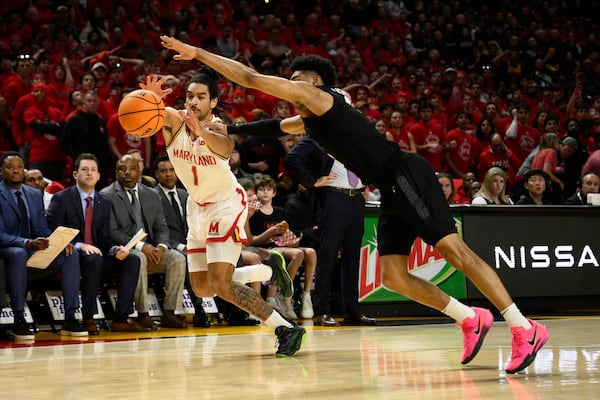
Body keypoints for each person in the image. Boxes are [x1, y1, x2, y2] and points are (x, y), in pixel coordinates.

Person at [160, 37, 549, 373]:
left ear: (314, 84)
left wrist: (197, 52)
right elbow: (272, 128)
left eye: (296, 83)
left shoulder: (320, 97)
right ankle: (469, 317)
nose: (291, 90)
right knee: (394, 277)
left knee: (453, 250)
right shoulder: (313, 120)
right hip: (387, 187)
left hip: (405, 174)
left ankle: (522, 327)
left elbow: (250, 78)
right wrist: (223, 129)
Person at [139, 70, 306, 357]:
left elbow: (224, 149)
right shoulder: (173, 122)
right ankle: (268, 267)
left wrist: (200, 129)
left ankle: (285, 328)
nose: (193, 101)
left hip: (226, 204)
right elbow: (147, 113)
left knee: (221, 284)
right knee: (203, 289)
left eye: (201, 97)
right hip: (197, 207)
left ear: (213, 102)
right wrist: (150, 98)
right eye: (190, 95)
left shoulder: (219, 129)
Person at [46, 153, 146, 333]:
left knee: (132, 260)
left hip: (96, 256)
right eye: (84, 170)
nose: (89, 173)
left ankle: (121, 318)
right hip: (72, 256)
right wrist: (79, 245)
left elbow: (104, 238)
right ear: (75, 174)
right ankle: (88, 317)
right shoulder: (62, 198)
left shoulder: (103, 202)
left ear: (99, 176)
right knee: (94, 259)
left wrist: (115, 249)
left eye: (93, 170)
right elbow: (53, 232)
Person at [284, 136, 376, 326]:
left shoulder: (356, 139)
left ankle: (352, 310)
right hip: (333, 198)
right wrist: (311, 181)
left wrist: (364, 181)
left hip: (356, 198)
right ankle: (322, 310)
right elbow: (292, 158)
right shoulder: (318, 138)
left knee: (352, 257)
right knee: (328, 255)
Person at [0, 151, 84, 340]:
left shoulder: (34, 194)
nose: (15, 170)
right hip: (8, 253)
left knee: (71, 253)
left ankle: (71, 317)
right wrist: (27, 243)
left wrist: (58, 242)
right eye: (10, 167)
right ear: (1, 171)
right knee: (18, 253)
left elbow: (41, 227)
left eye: (19, 167)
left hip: (33, 251)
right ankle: (18, 319)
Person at [100, 154, 187, 329]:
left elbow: (162, 227)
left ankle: (169, 313)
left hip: (152, 251)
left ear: (139, 170)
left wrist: (161, 247)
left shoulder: (151, 194)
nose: (127, 173)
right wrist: (141, 246)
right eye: (122, 169)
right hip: (126, 253)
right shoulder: (107, 195)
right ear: (116, 172)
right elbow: (113, 232)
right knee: (138, 257)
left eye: (132, 168)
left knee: (177, 259)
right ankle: (143, 314)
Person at [152, 152, 210, 327]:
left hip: (190, 243)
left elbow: (196, 224)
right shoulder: (151, 196)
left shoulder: (186, 195)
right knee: (187, 259)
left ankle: (234, 311)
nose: (168, 174)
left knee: (222, 256)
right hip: (169, 246)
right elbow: (156, 230)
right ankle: (199, 309)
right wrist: (180, 246)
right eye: (163, 171)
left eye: (172, 170)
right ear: (156, 174)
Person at [249, 174, 316, 320]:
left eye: (268, 189)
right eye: (261, 189)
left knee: (310, 252)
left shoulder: (280, 211)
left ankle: (306, 296)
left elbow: (288, 240)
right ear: (256, 192)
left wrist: (292, 238)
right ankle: (283, 293)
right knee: (296, 255)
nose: (265, 192)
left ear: (274, 192)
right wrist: (270, 232)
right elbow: (250, 240)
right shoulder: (253, 212)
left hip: (280, 246)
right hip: (263, 248)